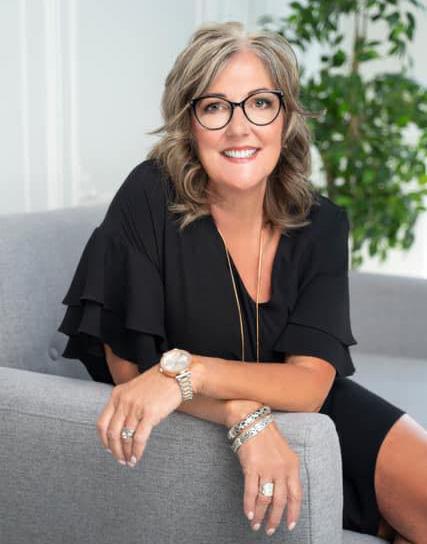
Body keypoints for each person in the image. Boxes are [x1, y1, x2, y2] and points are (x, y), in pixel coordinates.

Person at [57, 21, 427, 543]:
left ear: (285, 116)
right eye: (215, 107)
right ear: (189, 122)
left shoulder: (322, 222)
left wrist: (188, 373)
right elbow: (130, 373)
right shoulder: (149, 195)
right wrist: (242, 414)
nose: (240, 128)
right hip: (207, 432)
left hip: (320, 420)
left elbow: (310, 384)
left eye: (260, 103)